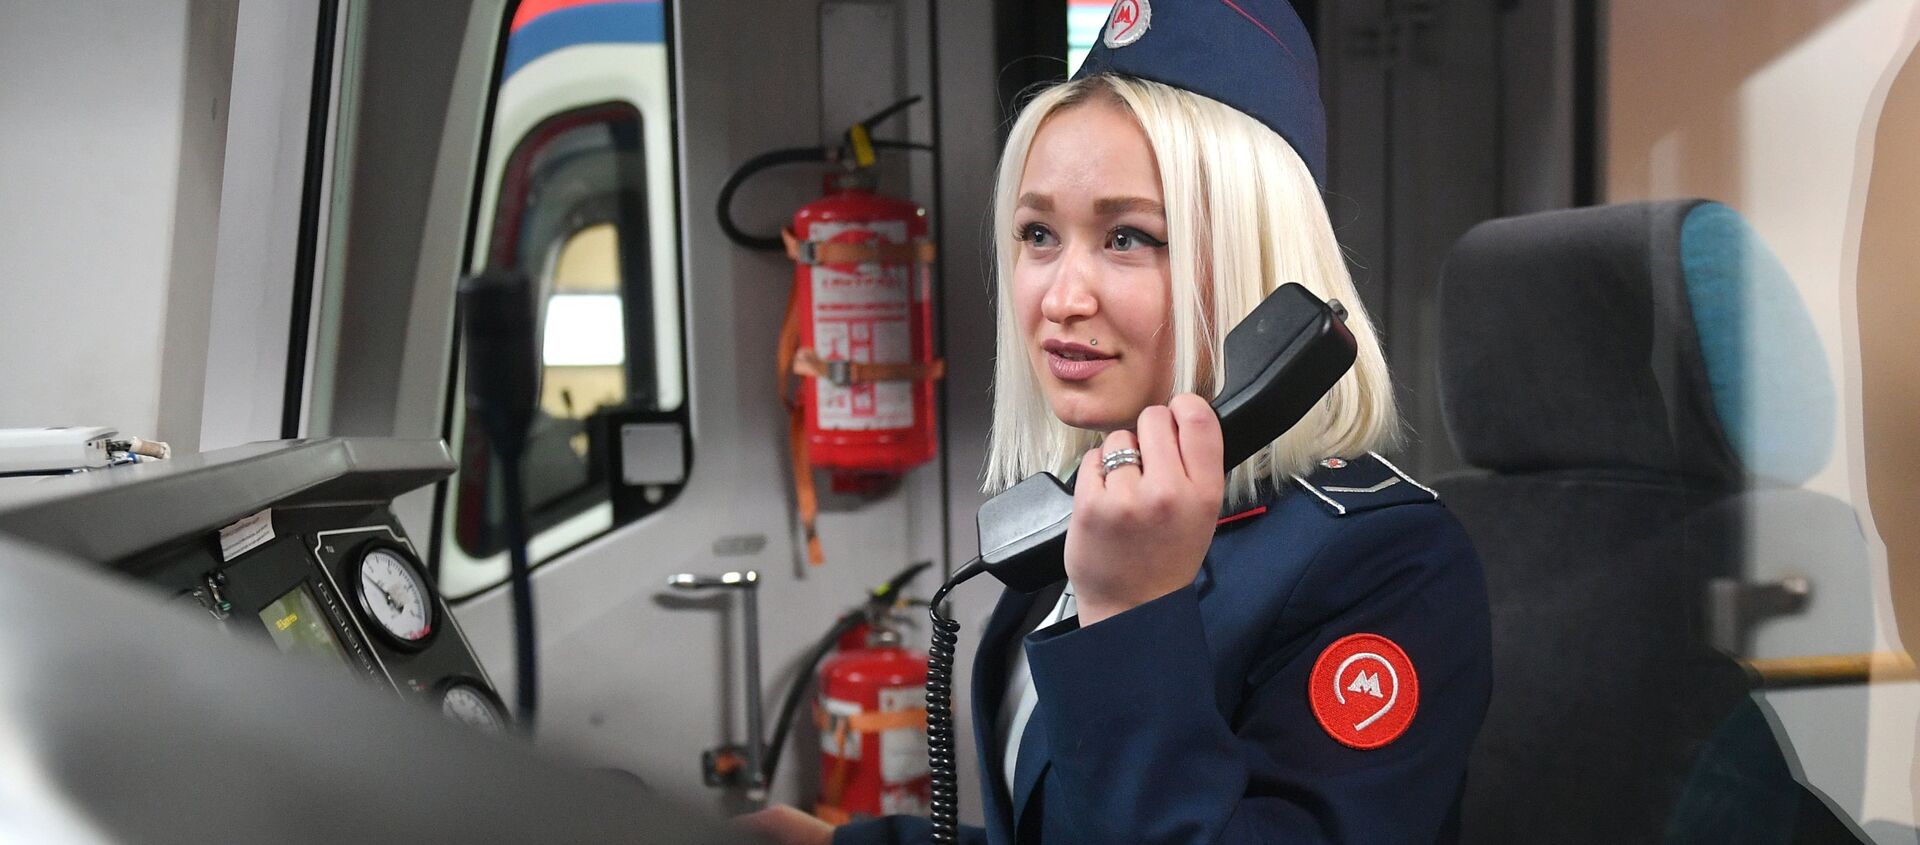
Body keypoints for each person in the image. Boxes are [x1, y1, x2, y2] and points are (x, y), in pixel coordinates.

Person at [742, 1, 1491, 842]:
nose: (1060, 297)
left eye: (1129, 236)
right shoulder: (1098, 508)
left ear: (1261, 269)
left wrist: (1132, 614)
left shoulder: (1389, 567)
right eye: (1037, 234)